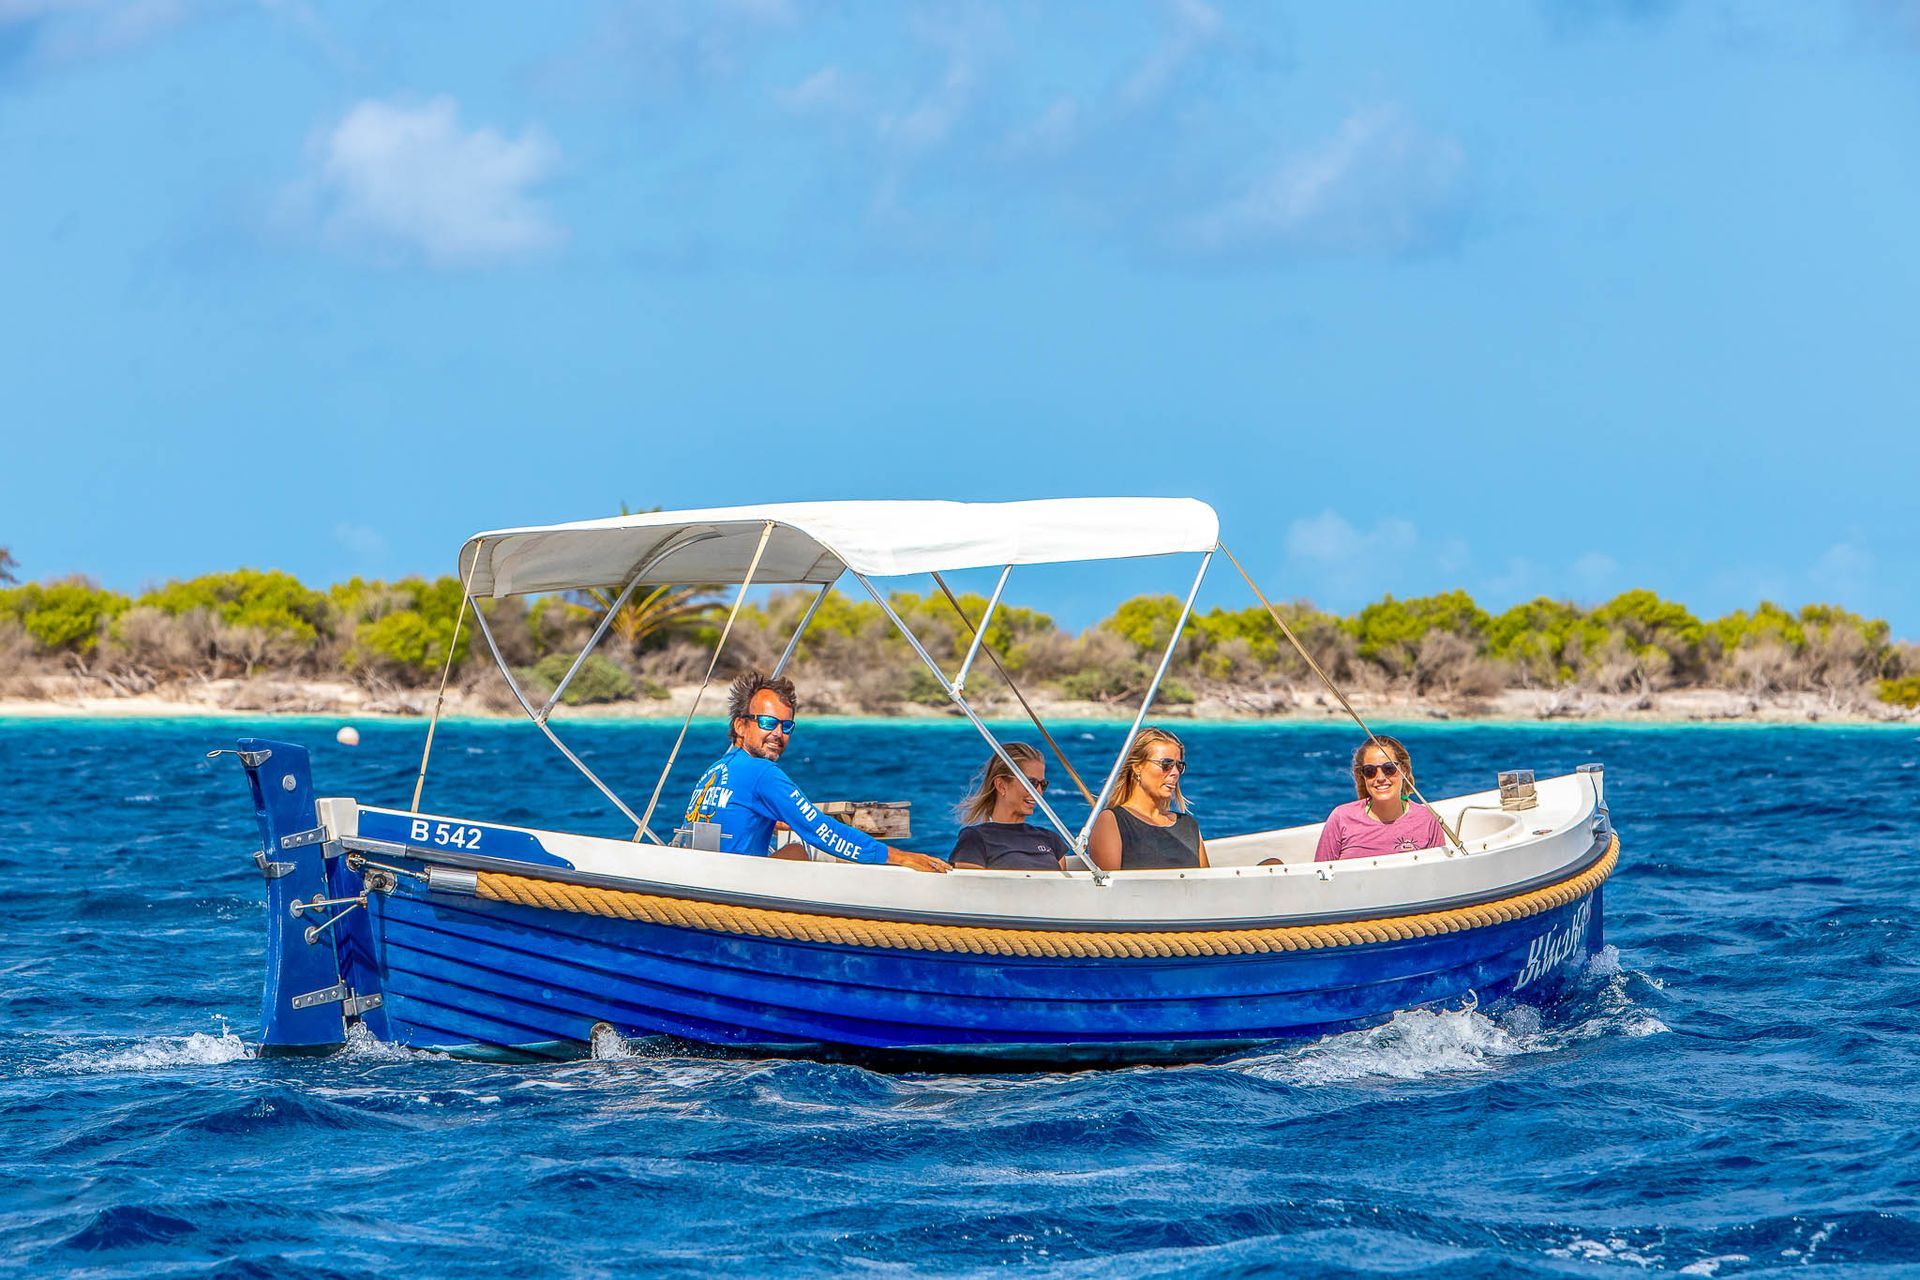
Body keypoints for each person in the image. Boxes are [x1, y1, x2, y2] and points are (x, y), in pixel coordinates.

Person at [683, 671, 948, 872]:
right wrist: (898, 857)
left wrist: (766, 818)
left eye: (786, 726)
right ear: (741, 726)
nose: (778, 733)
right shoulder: (762, 773)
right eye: (767, 722)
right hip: (734, 892)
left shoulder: (715, 770)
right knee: (798, 851)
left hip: (702, 877)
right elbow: (821, 830)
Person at [1085, 727, 1207, 871]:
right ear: (1137, 767)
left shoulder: (1188, 825)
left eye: (1179, 766)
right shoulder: (1112, 821)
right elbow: (1110, 887)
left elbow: (1207, 885)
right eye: (1166, 764)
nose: (1174, 772)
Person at [1313, 735, 1446, 862]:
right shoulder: (1341, 818)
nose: (1380, 778)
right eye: (1370, 771)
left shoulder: (1427, 820)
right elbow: (1319, 876)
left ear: (1403, 770)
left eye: (1389, 768)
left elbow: (1437, 877)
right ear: (1363, 776)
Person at [949, 743, 1073, 871]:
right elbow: (969, 888)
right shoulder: (975, 839)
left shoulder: (1051, 840)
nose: (1039, 792)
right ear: (1001, 785)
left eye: (1043, 784)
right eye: (1031, 783)